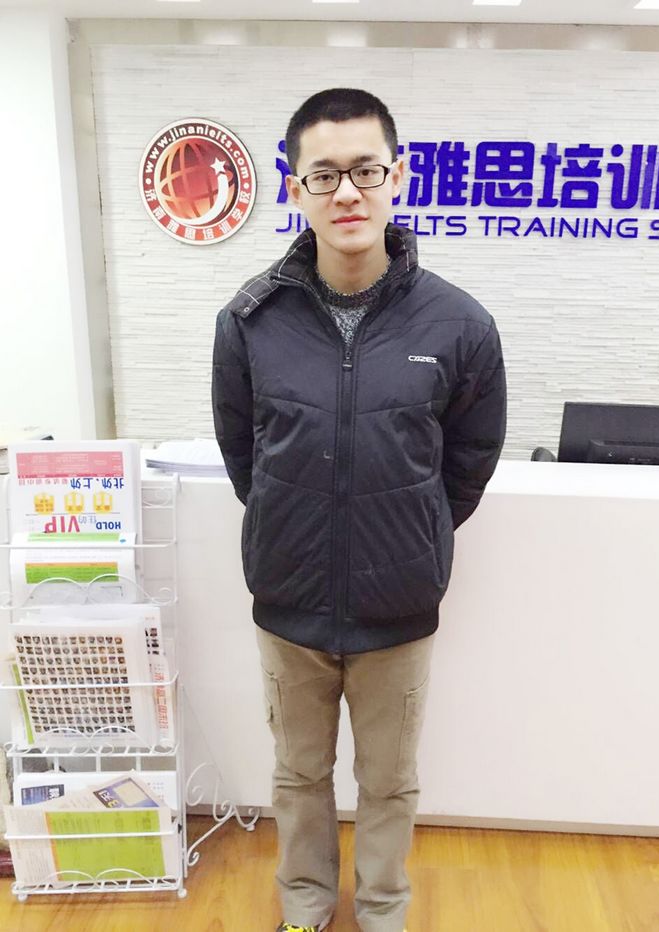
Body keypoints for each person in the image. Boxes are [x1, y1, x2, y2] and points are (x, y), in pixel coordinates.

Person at [212, 87, 507, 932]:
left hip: (397, 604)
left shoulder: (458, 324)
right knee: (298, 774)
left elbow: (468, 463)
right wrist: (298, 525)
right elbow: (244, 453)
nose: (347, 192)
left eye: (366, 171)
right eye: (325, 174)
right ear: (295, 187)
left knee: (389, 780)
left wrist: (410, 530)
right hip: (289, 600)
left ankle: (381, 910)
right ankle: (304, 905)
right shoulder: (250, 321)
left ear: (397, 177)